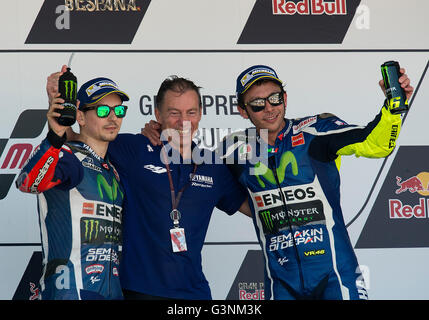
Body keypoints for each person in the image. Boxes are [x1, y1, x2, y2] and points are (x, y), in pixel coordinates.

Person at [143, 64, 413, 300]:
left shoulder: (315, 131)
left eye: (274, 98)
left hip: (335, 276)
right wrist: (158, 133)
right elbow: (190, 166)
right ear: (242, 110)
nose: (269, 108)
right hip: (281, 283)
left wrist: (393, 107)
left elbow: (375, 144)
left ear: (285, 97)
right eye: (257, 104)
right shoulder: (234, 148)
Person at [58, 74, 250, 300]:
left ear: (200, 113)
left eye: (191, 112)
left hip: (195, 293)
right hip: (138, 291)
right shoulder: (132, 149)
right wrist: (60, 105)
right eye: (174, 112)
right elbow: (79, 139)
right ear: (158, 114)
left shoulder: (213, 166)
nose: (184, 121)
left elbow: (256, 208)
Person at [15, 66, 129, 300]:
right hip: (70, 292)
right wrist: (55, 135)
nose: (113, 117)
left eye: (118, 110)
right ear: (79, 116)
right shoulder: (68, 157)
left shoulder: (113, 170)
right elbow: (26, 182)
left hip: (110, 293)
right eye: (102, 110)